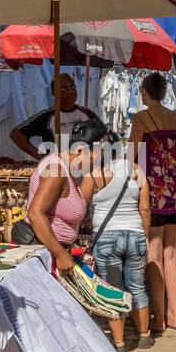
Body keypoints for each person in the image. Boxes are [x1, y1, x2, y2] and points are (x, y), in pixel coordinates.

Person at [81, 136, 152, 352]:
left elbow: (79, 206)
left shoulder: (93, 176)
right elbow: (145, 209)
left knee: (113, 290)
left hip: (107, 239)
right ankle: (144, 336)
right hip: (135, 235)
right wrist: (145, 236)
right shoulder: (137, 171)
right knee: (138, 287)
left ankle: (119, 343)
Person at [128, 72, 176, 334]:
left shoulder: (142, 118)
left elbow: (132, 155)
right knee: (171, 253)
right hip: (175, 188)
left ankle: (159, 316)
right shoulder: (173, 116)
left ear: (144, 92)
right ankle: (174, 314)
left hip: (154, 191)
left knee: (154, 253)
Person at [25, 117, 103, 274]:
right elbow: (35, 213)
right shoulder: (56, 170)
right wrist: (59, 253)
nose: (94, 166)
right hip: (45, 254)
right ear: (80, 151)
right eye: (94, 160)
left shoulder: (66, 171)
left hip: (54, 252)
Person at [10, 73, 100, 160]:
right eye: (65, 88)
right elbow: (16, 135)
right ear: (54, 93)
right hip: (57, 170)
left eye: (73, 87)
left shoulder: (87, 114)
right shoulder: (47, 117)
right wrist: (42, 158)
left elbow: (102, 138)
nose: (71, 91)